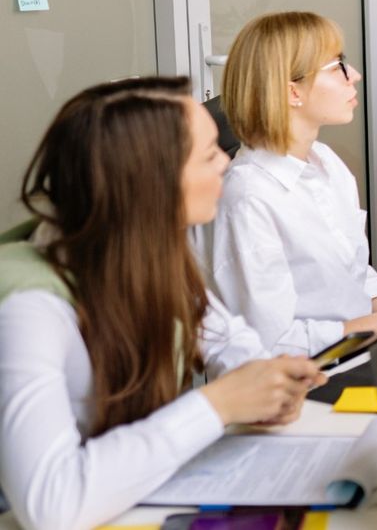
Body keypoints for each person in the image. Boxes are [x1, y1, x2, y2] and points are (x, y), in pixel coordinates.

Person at [0, 77, 326, 530]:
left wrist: (265, 383)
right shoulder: (28, 307)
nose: (226, 167)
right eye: (209, 154)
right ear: (151, 181)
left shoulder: (145, 249)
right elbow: (51, 506)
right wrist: (219, 405)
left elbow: (223, 335)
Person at [212, 12, 377, 357]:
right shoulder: (248, 198)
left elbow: (356, 273)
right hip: (301, 382)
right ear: (292, 91)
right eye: (338, 66)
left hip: (360, 352)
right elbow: (272, 343)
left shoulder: (325, 161)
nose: (355, 76)